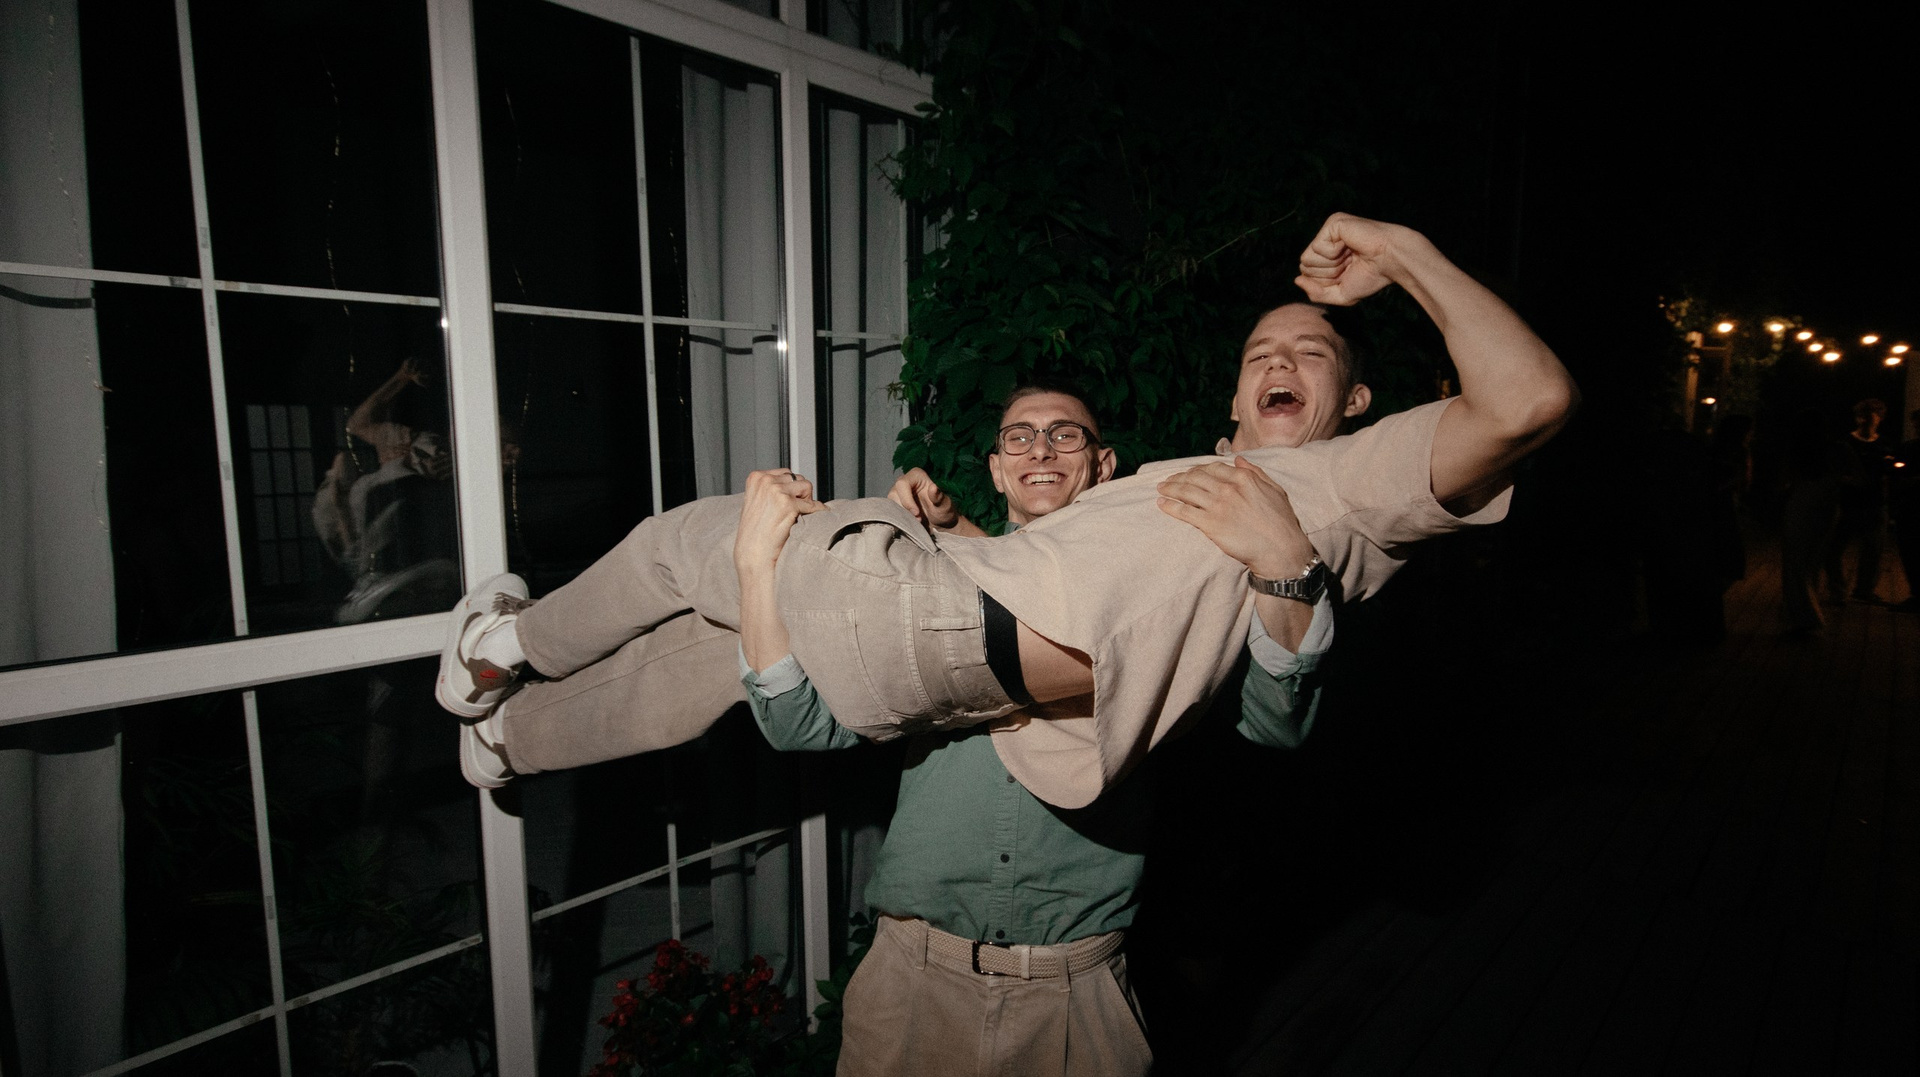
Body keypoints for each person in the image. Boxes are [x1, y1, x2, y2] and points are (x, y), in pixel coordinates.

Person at [434, 211, 1578, 808]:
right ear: (1233, 402)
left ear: (1360, 403)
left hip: (940, 638)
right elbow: (1087, 593)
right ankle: (510, 743)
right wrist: (948, 530)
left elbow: (1528, 399)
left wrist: (1403, 252)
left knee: (678, 547)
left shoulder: (1346, 484)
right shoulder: (1202, 494)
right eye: (1259, 353)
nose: (1281, 359)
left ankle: (502, 652)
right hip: (943, 663)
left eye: (1312, 352)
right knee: (698, 662)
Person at [734, 384, 1331, 1077]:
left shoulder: (1163, 594)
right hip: (911, 988)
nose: (1040, 450)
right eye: (1018, 437)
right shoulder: (931, 586)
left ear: (1104, 464)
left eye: (1065, 434)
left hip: (1075, 1003)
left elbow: (1275, 718)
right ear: (996, 469)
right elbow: (797, 720)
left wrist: (1286, 566)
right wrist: (754, 565)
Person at [1825, 398, 1895, 603]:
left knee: (1873, 549)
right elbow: (1834, 471)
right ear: (1857, 418)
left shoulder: (1884, 445)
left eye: (1872, 416)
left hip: (1875, 502)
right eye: (1863, 416)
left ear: (1880, 418)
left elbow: (1889, 473)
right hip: (1848, 503)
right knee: (1834, 548)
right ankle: (1838, 589)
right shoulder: (1846, 443)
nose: (1866, 421)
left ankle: (1863, 590)